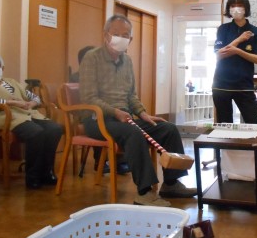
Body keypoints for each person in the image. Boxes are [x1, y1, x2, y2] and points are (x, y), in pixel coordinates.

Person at [79, 14, 196, 206]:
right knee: (134, 133)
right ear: (105, 34)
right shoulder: (92, 58)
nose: (120, 38)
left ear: (130, 39)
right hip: (97, 120)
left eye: (125, 35)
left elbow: (131, 95)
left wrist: (143, 114)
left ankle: (171, 183)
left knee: (168, 128)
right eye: (115, 33)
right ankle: (144, 192)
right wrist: (115, 112)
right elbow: (89, 97)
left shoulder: (127, 61)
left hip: (125, 119)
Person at [0, 52, 63, 190]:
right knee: (36, 133)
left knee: (54, 129)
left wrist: (32, 103)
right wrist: (12, 102)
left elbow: (34, 97)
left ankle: (47, 171)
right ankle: (33, 176)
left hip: (26, 114)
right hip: (4, 117)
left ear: (2, 68)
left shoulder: (12, 82)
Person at [72, 45, 130, 176]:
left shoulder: (105, 75)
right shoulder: (77, 77)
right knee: (99, 121)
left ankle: (120, 160)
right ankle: (100, 161)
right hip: (86, 114)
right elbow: (87, 98)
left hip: (105, 111)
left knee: (119, 122)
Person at [212, 0, 257, 124]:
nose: (236, 9)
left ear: (246, 8)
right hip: (221, 85)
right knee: (224, 126)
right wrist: (239, 39)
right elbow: (219, 54)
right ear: (229, 9)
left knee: (253, 123)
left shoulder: (255, 31)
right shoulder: (223, 29)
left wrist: (237, 51)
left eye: (240, 5)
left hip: (244, 86)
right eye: (233, 6)